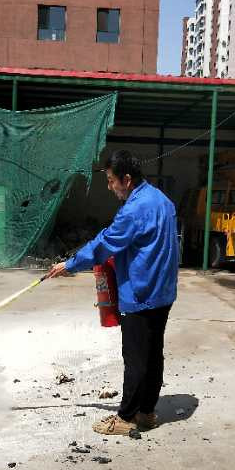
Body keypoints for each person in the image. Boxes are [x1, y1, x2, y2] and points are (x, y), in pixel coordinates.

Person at [45, 150, 179, 436]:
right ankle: (146, 412)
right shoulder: (161, 200)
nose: (109, 187)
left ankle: (126, 417)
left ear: (126, 179)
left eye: (111, 181)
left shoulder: (134, 209)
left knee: (136, 358)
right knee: (153, 354)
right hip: (162, 292)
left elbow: (105, 244)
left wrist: (70, 264)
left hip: (141, 293)